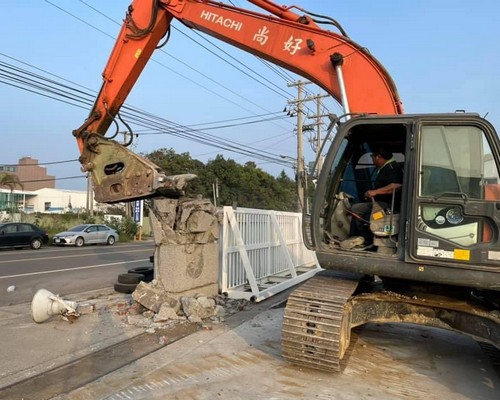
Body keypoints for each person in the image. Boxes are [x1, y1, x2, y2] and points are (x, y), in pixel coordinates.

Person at [342, 147, 403, 249]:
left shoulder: (392, 168)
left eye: (372, 156)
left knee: (356, 209)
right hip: (382, 203)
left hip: (388, 205)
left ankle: (364, 238)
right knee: (364, 214)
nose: (372, 159)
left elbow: (396, 186)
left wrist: (375, 192)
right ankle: (359, 236)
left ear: (378, 156)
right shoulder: (386, 167)